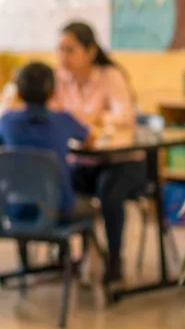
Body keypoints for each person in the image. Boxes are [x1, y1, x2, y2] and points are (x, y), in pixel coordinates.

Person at [55, 21, 143, 284]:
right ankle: (69, 255)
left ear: (91, 51)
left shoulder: (110, 75)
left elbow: (124, 116)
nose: (63, 57)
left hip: (122, 160)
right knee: (58, 182)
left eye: (70, 50)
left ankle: (114, 260)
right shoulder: (61, 79)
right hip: (83, 159)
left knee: (109, 193)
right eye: (60, 49)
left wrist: (93, 118)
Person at [0, 62, 91, 221]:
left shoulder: (6, 121)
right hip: (58, 209)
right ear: (53, 92)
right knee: (89, 208)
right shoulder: (64, 120)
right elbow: (88, 137)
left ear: (18, 92)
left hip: (16, 208)